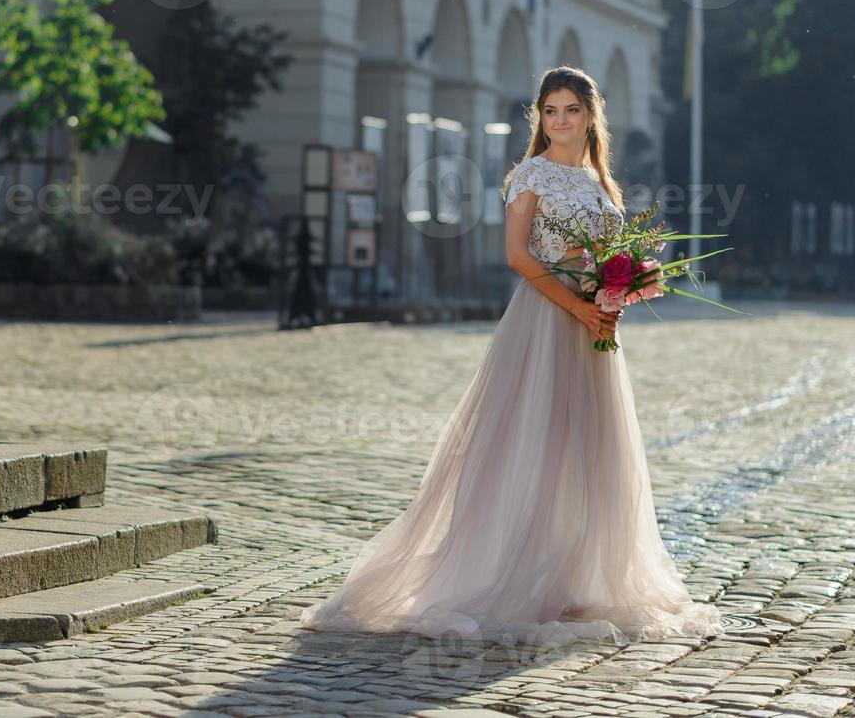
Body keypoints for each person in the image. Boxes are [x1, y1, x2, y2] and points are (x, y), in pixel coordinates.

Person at [299, 65, 724, 651]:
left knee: (586, 449)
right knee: (532, 440)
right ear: (539, 118)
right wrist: (577, 308)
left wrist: (615, 292)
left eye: (570, 109)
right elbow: (519, 258)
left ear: (590, 115)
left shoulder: (601, 182)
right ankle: (509, 576)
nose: (560, 121)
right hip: (546, 321)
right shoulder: (532, 173)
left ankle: (574, 578)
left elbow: (605, 253)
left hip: (593, 327)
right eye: (549, 111)